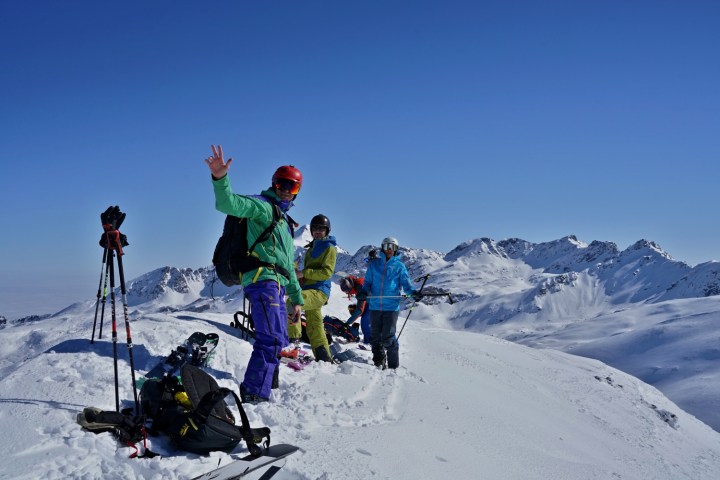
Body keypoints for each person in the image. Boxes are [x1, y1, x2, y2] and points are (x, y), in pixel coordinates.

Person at [205, 144, 304, 403]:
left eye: (291, 187)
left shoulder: (285, 224)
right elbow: (229, 203)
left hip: (278, 283)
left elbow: (288, 267)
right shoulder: (262, 207)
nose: (285, 190)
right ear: (274, 184)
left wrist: (297, 300)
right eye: (281, 184)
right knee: (270, 338)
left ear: (297, 193)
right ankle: (253, 394)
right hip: (262, 279)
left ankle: (269, 384)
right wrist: (220, 178)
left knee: (279, 338)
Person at [361, 237, 420, 369]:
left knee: (388, 337)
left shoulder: (399, 266)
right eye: (387, 246)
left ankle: (393, 365)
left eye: (392, 247)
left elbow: (406, 284)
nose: (389, 249)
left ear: (396, 249)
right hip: (375, 305)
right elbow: (368, 282)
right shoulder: (374, 265)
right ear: (382, 247)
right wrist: (364, 291)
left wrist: (413, 293)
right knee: (375, 337)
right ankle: (379, 362)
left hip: (391, 307)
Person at [287, 214, 337, 362]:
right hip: (309, 289)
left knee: (293, 302)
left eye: (321, 228)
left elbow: (326, 272)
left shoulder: (329, 248)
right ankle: (324, 357)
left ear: (327, 230)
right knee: (314, 325)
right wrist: (300, 279)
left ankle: (293, 344)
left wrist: (303, 273)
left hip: (320, 291)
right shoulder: (312, 248)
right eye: (315, 228)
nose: (317, 231)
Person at [339, 275, 371, 345]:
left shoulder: (359, 286)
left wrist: (347, 323)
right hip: (372, 302)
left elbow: (360, 310)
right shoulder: (357, 284)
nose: (347, 293)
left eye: (347, 291)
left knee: (365, 321)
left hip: (376, 303)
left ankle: (369, 342)